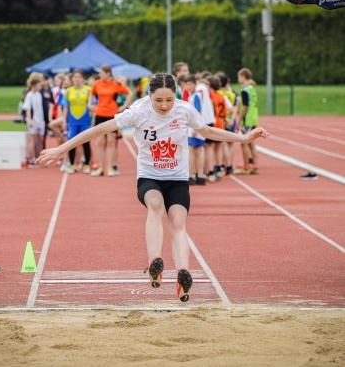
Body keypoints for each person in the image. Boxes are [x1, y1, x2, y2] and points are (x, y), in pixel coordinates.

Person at [36, 73, 269, 302]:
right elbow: (97, 130)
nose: (164, 105)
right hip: (150, 177)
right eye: (159, 100)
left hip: (177, 178)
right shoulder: (138, 111)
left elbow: (208, 131)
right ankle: (154, 261)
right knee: (155, 206)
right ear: (149, 95)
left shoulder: (184, 109)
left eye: (169, 99)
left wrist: (244, 138)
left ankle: (183, 274)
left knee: (178, 222)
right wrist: (61, 149)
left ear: (175, 96)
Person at [90, 64, 132, 177]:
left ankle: (110, 167)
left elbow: (129, 93)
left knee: (111, 141)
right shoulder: (97, 84)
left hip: (112, 114)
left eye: (101, 73)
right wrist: (90, 104)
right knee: (99, 142)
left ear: (108, 73)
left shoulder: (115, 84)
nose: (99, 75)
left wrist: (123, 107)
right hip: (99, 113)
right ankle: (100, 167)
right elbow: (91, 93)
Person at [234, 68, 260, 175]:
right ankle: (255, 165)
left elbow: (245, 106)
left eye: (239, 77)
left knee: (243, 142)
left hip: (247, 119)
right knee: (251, 143)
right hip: (253, 118)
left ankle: (246, 166)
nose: (238, 79)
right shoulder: (252, 88)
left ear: (244, 76)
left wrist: (239, 121)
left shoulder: (245, 90)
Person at [185, 74, 206, 186]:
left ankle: (195, 174)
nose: (188, 87)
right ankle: (198, 175)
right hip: (195, 126)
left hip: (194, 127)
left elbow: (197, 111)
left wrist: (195, 128)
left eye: (190, 84)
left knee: (194, 150)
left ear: (195, 84)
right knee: (196, 150)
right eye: (186, 84)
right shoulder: (192, 96)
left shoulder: (195, 96)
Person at [23, 76, 45, 167]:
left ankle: (38, 158)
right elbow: (28, 108)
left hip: (41, 120)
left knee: (40, 140)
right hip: (33, 120)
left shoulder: (39, 94)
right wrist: (29, 120)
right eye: (39, 85)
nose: (40, 87)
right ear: (35, 85)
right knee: (32, 139)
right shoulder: (29, 95)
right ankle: (31, 159)